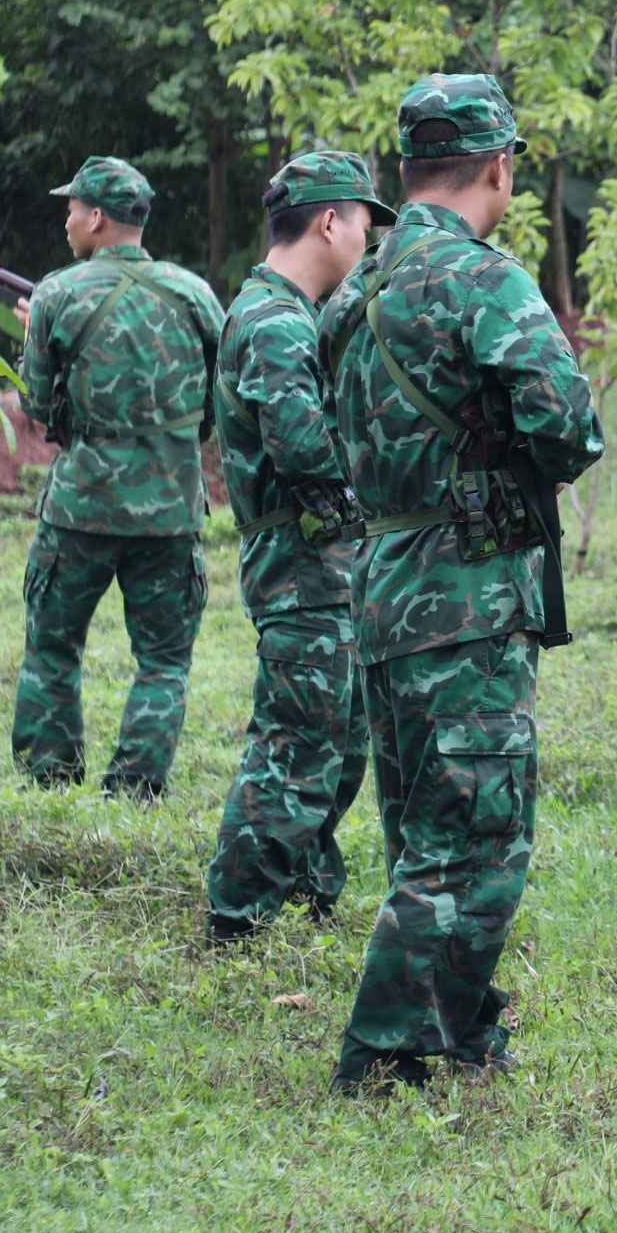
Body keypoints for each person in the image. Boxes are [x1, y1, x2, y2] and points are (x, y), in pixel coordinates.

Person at [315, 73, 604, 1092]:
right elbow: (568, 428)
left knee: (421, 829)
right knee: (477, 838)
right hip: (468, 590)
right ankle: (382, 1052)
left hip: (383, 585)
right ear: (499, 164)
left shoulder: (357, 291)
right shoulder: (486, 281)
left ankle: (465, 1027)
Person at [204, 153, 396, 946]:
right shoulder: (276, 320)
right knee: (297, 739)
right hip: (300, 563)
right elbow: (306, 450)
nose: (366, 241)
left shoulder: (282, 310)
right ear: (329, 221)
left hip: (319, 562)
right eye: (364, 224)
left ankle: (311, 886)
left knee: (337, 736)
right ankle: (238, 914)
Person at [10, 156, 225, 801]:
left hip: (79, 509)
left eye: (73, 208)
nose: (68, 219)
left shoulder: (54, 294)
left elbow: (38, 407)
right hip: (171, 513)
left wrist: (39, 345)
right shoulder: (195, 295)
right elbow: (215, 411)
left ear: (97, 217)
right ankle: (134, 789)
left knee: (51, 650)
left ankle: (50, 783)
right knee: (163, 662)